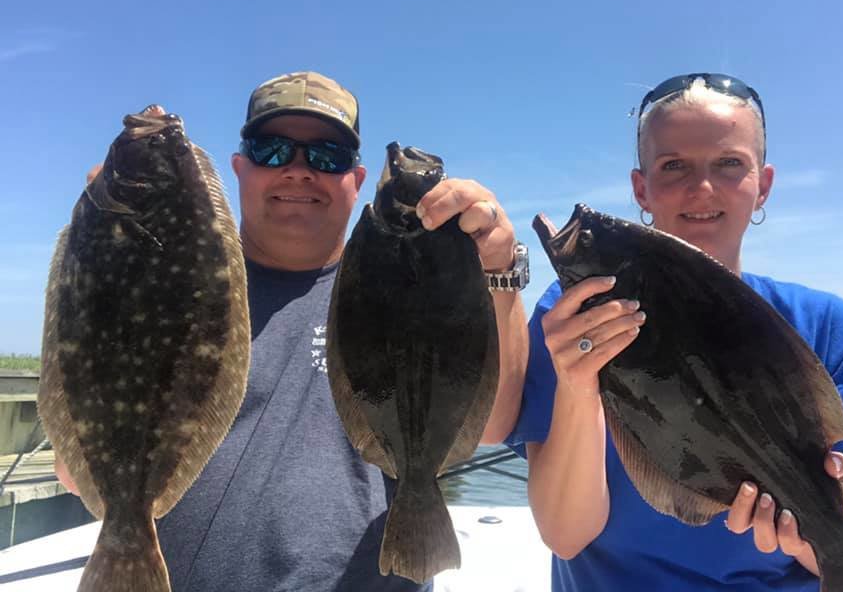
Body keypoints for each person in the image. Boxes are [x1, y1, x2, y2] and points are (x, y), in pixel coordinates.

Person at [55, 70, 529, 591]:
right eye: (272, 150)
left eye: (327, 155)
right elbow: (73, 470)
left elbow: (494, 425)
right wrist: (99, 275)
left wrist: (500, 272)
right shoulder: (186, 289)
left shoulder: (398, 291)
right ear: (237, 169)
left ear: (356, 179)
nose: (299, 172)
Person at [507, 73, 843, 590]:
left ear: (762, 186)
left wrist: (810, 532)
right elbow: (565, 534)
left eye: (729, 164)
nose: (702, 189)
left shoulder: (831, 327)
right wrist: (580, 387)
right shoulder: (569, 317)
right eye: (674, 166)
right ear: (640, 189)